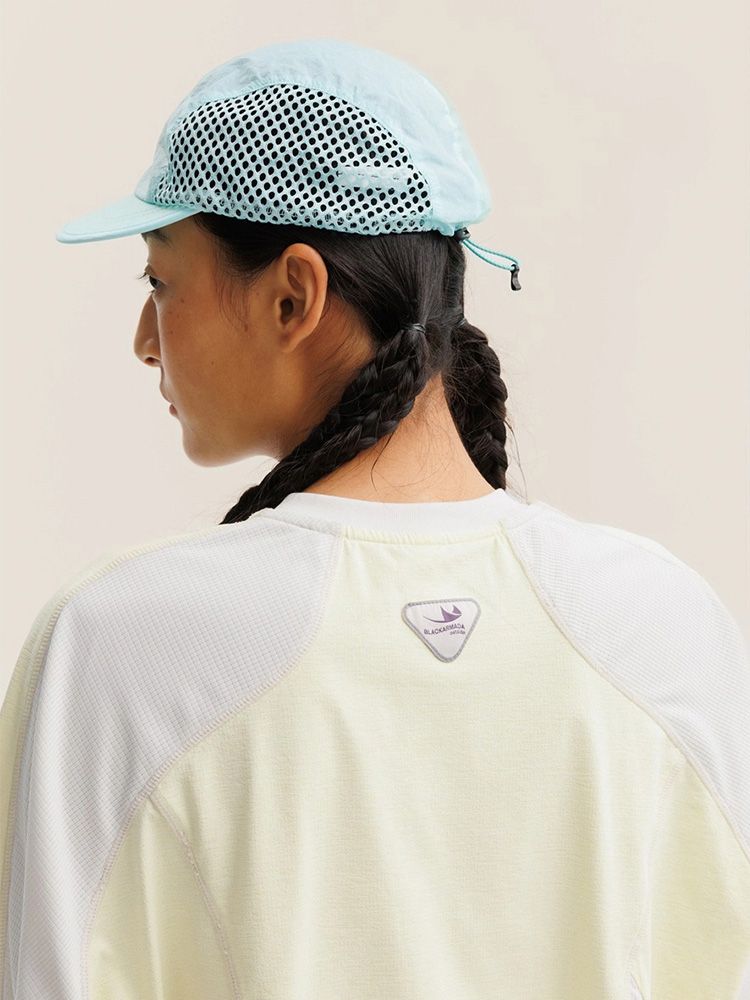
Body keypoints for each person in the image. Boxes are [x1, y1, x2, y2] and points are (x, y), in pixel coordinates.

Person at [1, 37, 749, 1000]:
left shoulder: (117, 648)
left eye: (159, 281)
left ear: (293, 296)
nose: (145, 340)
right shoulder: (666, 627)